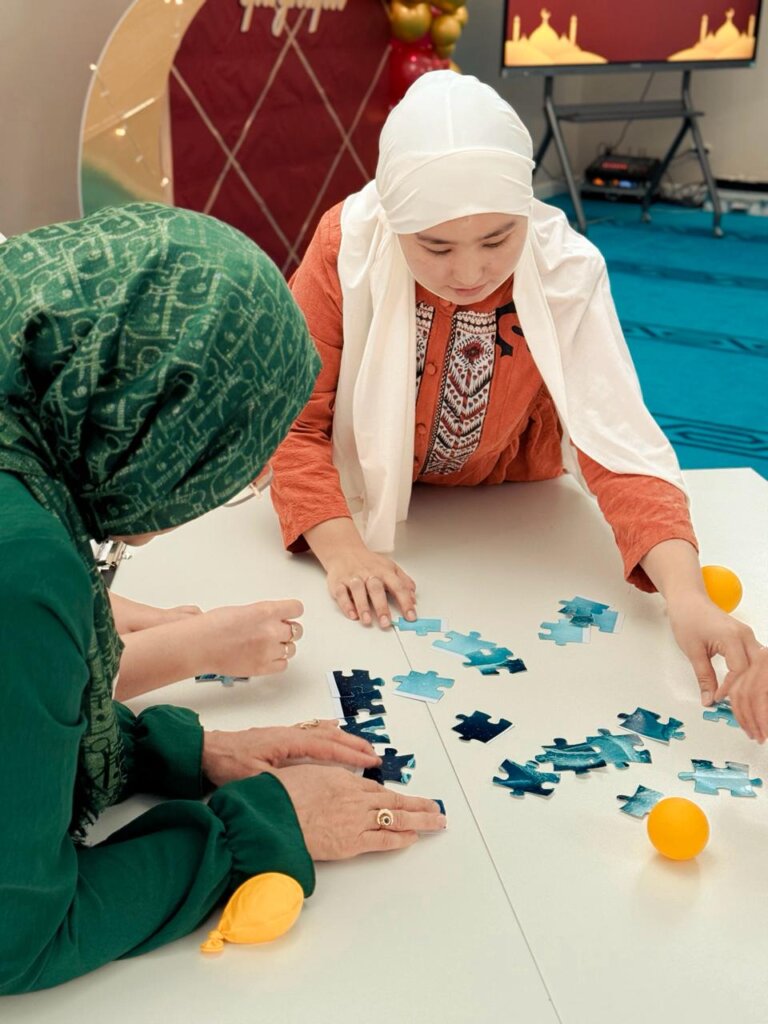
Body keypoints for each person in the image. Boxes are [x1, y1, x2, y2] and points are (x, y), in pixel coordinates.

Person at [0, 202, 445, 995]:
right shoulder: (24, 565)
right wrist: (271, 820)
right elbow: (18, 939)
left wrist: (172, 752)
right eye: (228, 466)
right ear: (156, 429)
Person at [269, 70, 766, 740]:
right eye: (436, 246)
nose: (470, 272)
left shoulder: (564, 266)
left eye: (498, 239)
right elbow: (291, 421)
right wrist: (343, 550)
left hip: (512, 501)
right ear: (393, 222)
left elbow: (616, 443)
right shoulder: (348, 247)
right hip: (355, 498)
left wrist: (686, 595)